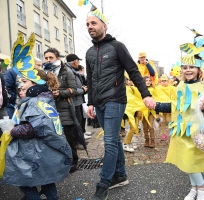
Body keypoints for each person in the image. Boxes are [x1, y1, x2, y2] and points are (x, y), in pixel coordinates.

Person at [85, 8, 156, 200]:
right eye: (88, 24)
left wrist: (146, 95)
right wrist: (90, 103)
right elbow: (90, 80)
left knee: (109, 142)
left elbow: (133, 71)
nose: (90, 27)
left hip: (115, 100)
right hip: (98, 103)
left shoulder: (117, 46)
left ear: (104, 26)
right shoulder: (89, 52)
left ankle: (103, 184)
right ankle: (121, 175)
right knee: (115, 139)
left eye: (94, 23)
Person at [1, 33, 72, 200]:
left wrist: (13, 131)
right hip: (42, 152)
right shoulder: (41, 99)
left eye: (24, 82)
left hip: (36, 152)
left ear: (35, 83)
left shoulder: (35, 103)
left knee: (25, 183)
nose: (20, 86)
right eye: (19, 83)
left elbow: (35, 127)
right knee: (48, 181)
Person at [154, 55, 204, 200]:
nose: (188, 70)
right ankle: (195, 188)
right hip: (182, 130)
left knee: (191, 159)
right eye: (185, 67)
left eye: (191, 67)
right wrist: (157, 105)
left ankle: (203, 188)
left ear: (199, 69)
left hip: (199, 131)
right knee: (185, 159)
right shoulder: (179, 86)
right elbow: (174, 106)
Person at [43, 48, 79, 173]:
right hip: (49, 108)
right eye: (46, 58)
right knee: (54, 137)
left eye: (50, 57)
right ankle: (60, 161)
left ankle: (73, 161)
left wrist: (60, 93)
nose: (48, 60)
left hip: (65, 109)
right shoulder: (43, 72)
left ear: (57, 58)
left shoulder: (66, 71)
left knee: (68, 137)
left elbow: (73, 90)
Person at [65, 54, 90, 146]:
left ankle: (80, 140)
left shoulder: (73, 71)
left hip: (78, 100)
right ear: (75, 61)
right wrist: (83, 90)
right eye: (78, 61)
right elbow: (72, 89)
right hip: (74, 102)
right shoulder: (69, 71)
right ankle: (76, 142)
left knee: (79, 122)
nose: (78, 63)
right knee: (76, 123)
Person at [156, 74, 175, 141]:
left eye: (165, 81)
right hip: (161, 107)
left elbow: (174, 96)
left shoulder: (172, 88)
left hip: (168, 107)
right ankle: (164, 134)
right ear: (160, 81)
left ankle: (173, 133)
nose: (164, 82)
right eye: (162, 81)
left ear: (168, 81)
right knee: (163, 122)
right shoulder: (158, 88)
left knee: (169, 121)